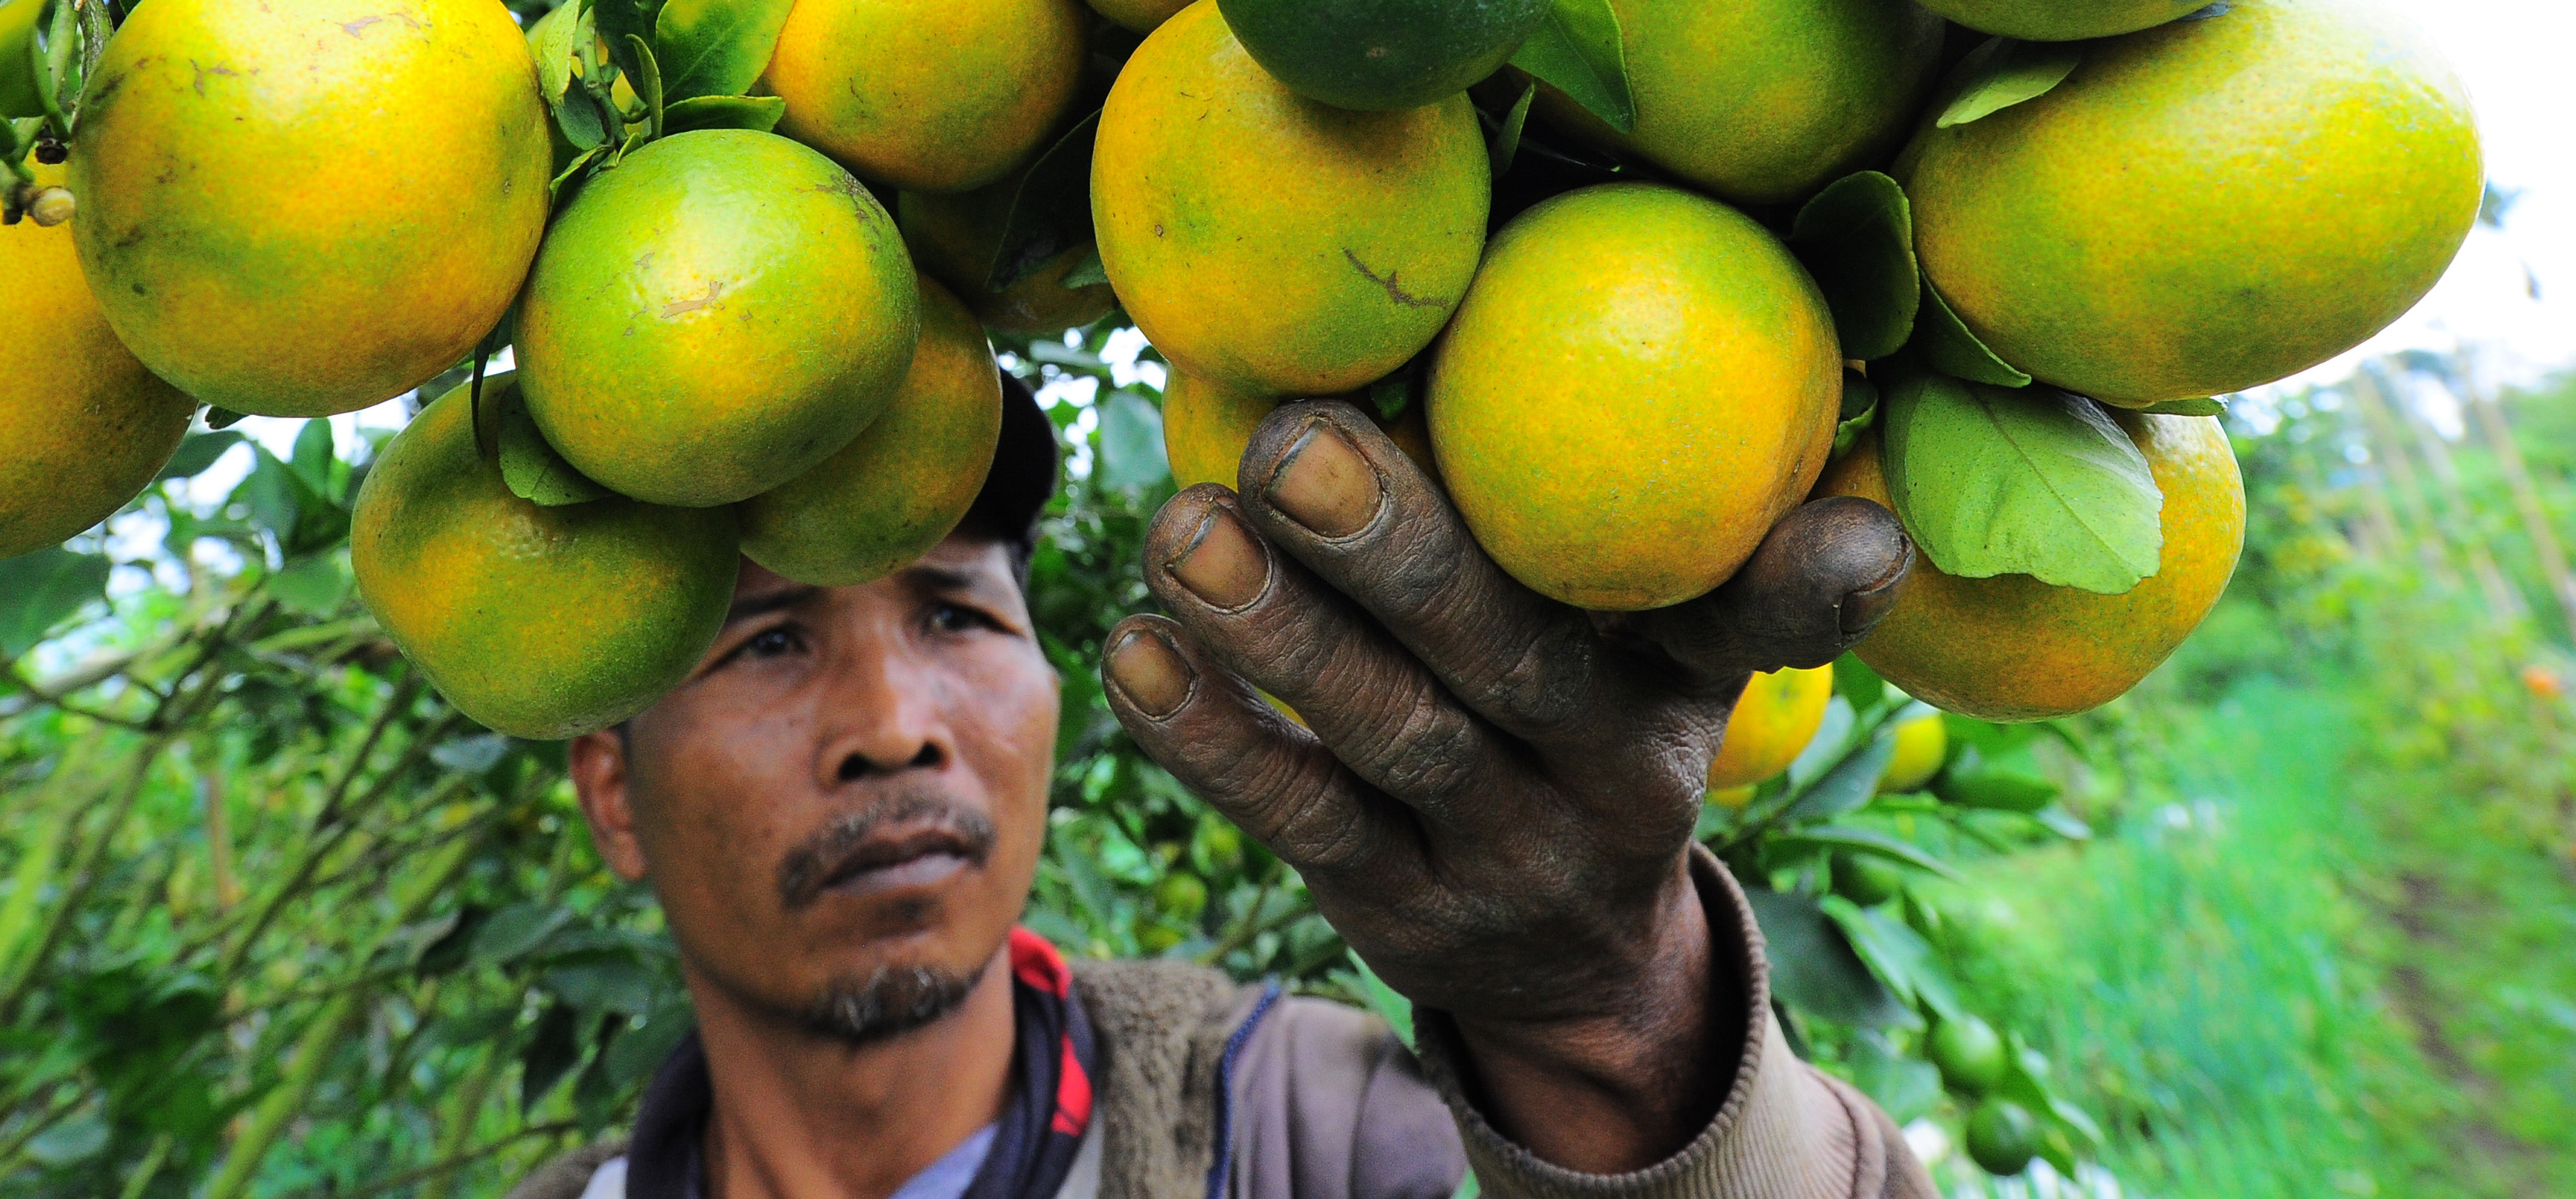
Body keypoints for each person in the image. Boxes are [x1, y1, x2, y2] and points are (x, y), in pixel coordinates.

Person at [507, 377, 1930, 1199]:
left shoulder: (1313, 1135)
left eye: (954, 613)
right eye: (767, 641)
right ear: (610, 790)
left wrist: (1614, 1027)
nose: (893, 728)